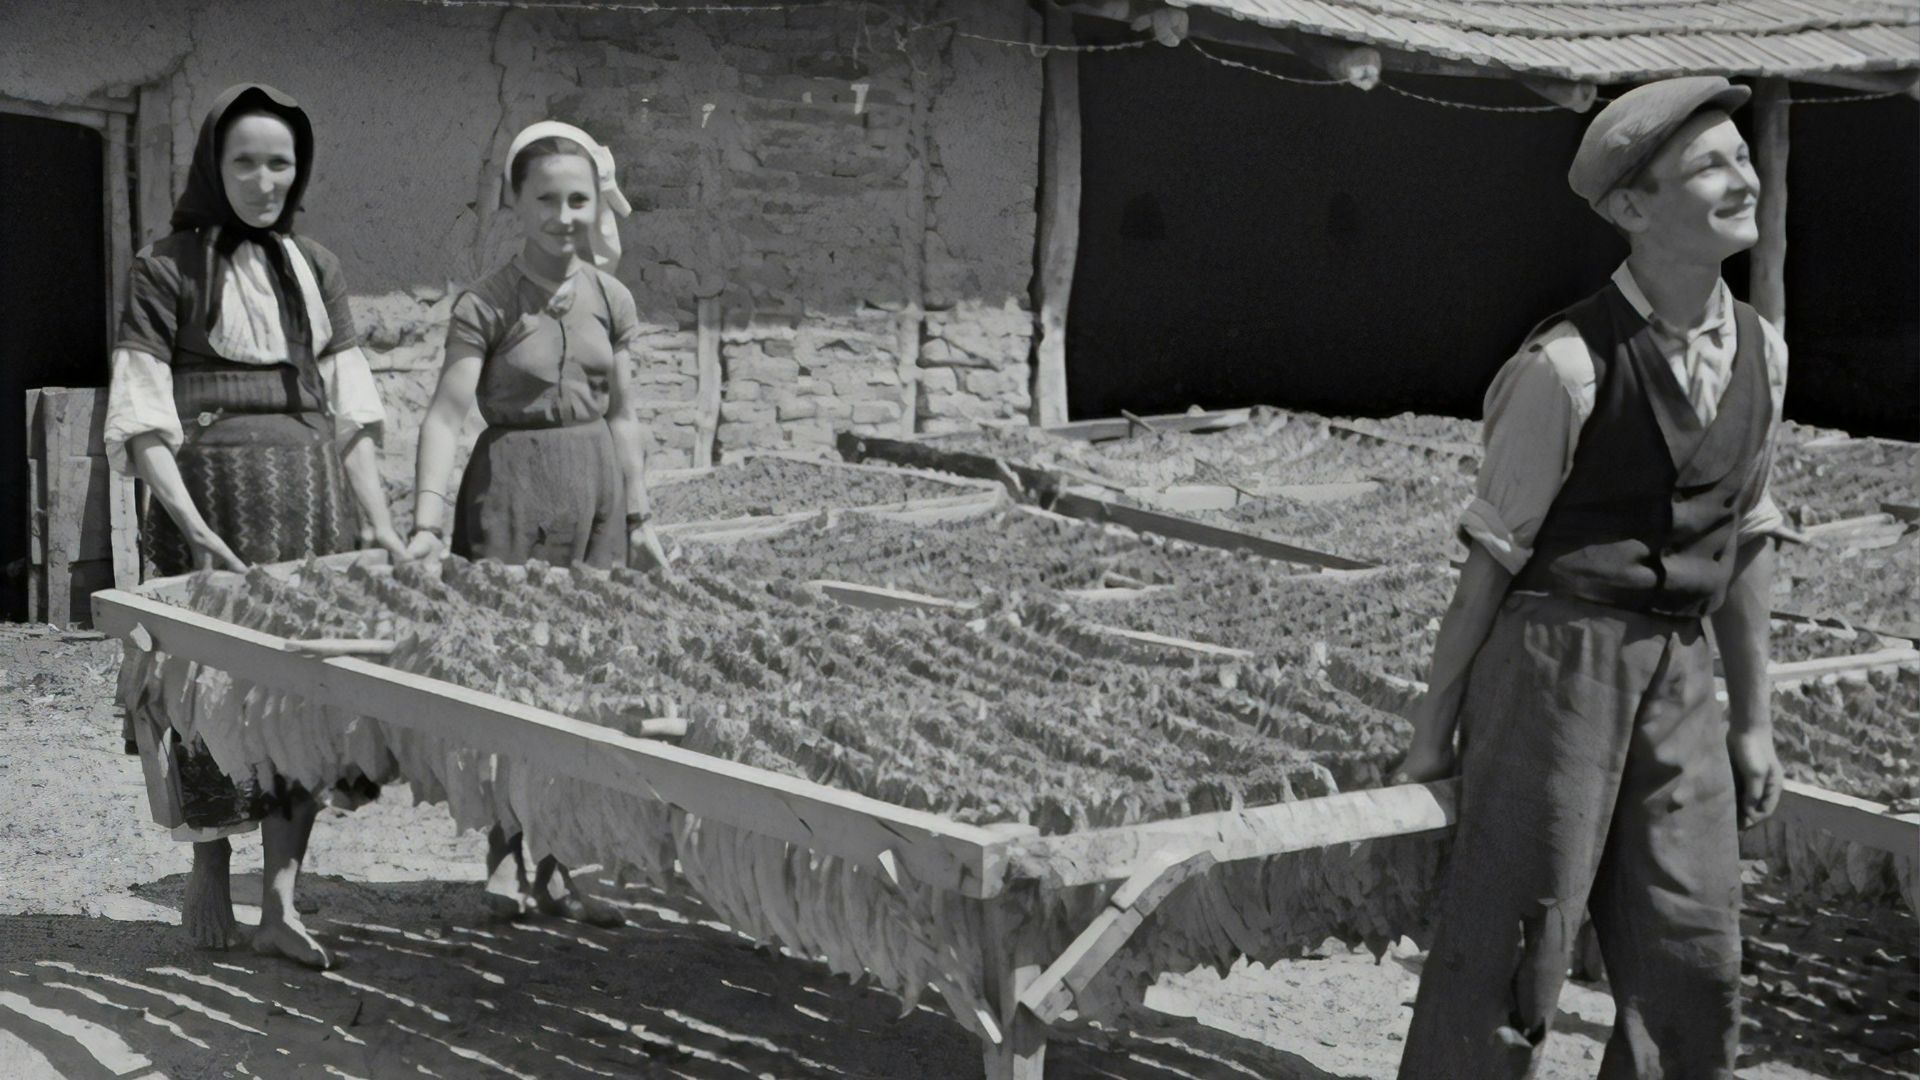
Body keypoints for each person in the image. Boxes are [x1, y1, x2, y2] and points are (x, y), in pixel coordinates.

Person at [1393, 77, 1788, 1078]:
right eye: (1711, 166)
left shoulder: (1764, 354)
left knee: (1694, 957)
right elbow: (1489, 567)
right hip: (1557, 669)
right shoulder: (1565, 367)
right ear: (1631, 208)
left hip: (1684, 678)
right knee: (1517, 946)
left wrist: (1753, 720)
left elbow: (1746, 535)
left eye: (1744, 156)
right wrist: (1433, 732)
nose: (1745, 178)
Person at [107, 83, 406, 969]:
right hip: (211, 508)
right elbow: (142, 414)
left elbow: (353, 415)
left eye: (281, 161)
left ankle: (281, 898)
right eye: (245, 160)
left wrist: (381, 528)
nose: (264, 178)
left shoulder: (317, 267)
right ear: (214, 165)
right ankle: (209, 860)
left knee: (298, 699)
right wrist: (192, 527)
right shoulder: (165, 268)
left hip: (312, 504)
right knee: (202, 689)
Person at [407, 121, 667, 925]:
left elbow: (624, 415)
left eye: (578, 200)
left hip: (592, 492)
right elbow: (448, 416)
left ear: (596, 207)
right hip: (511, 491)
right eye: (546, 199)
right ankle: (504, 854)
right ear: (515, 203)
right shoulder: (485, 303)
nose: (564, 215)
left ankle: (565, 863)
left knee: (586, 678)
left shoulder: (611, 298)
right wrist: (425, 522)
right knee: (508, 675)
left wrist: (640, 514)